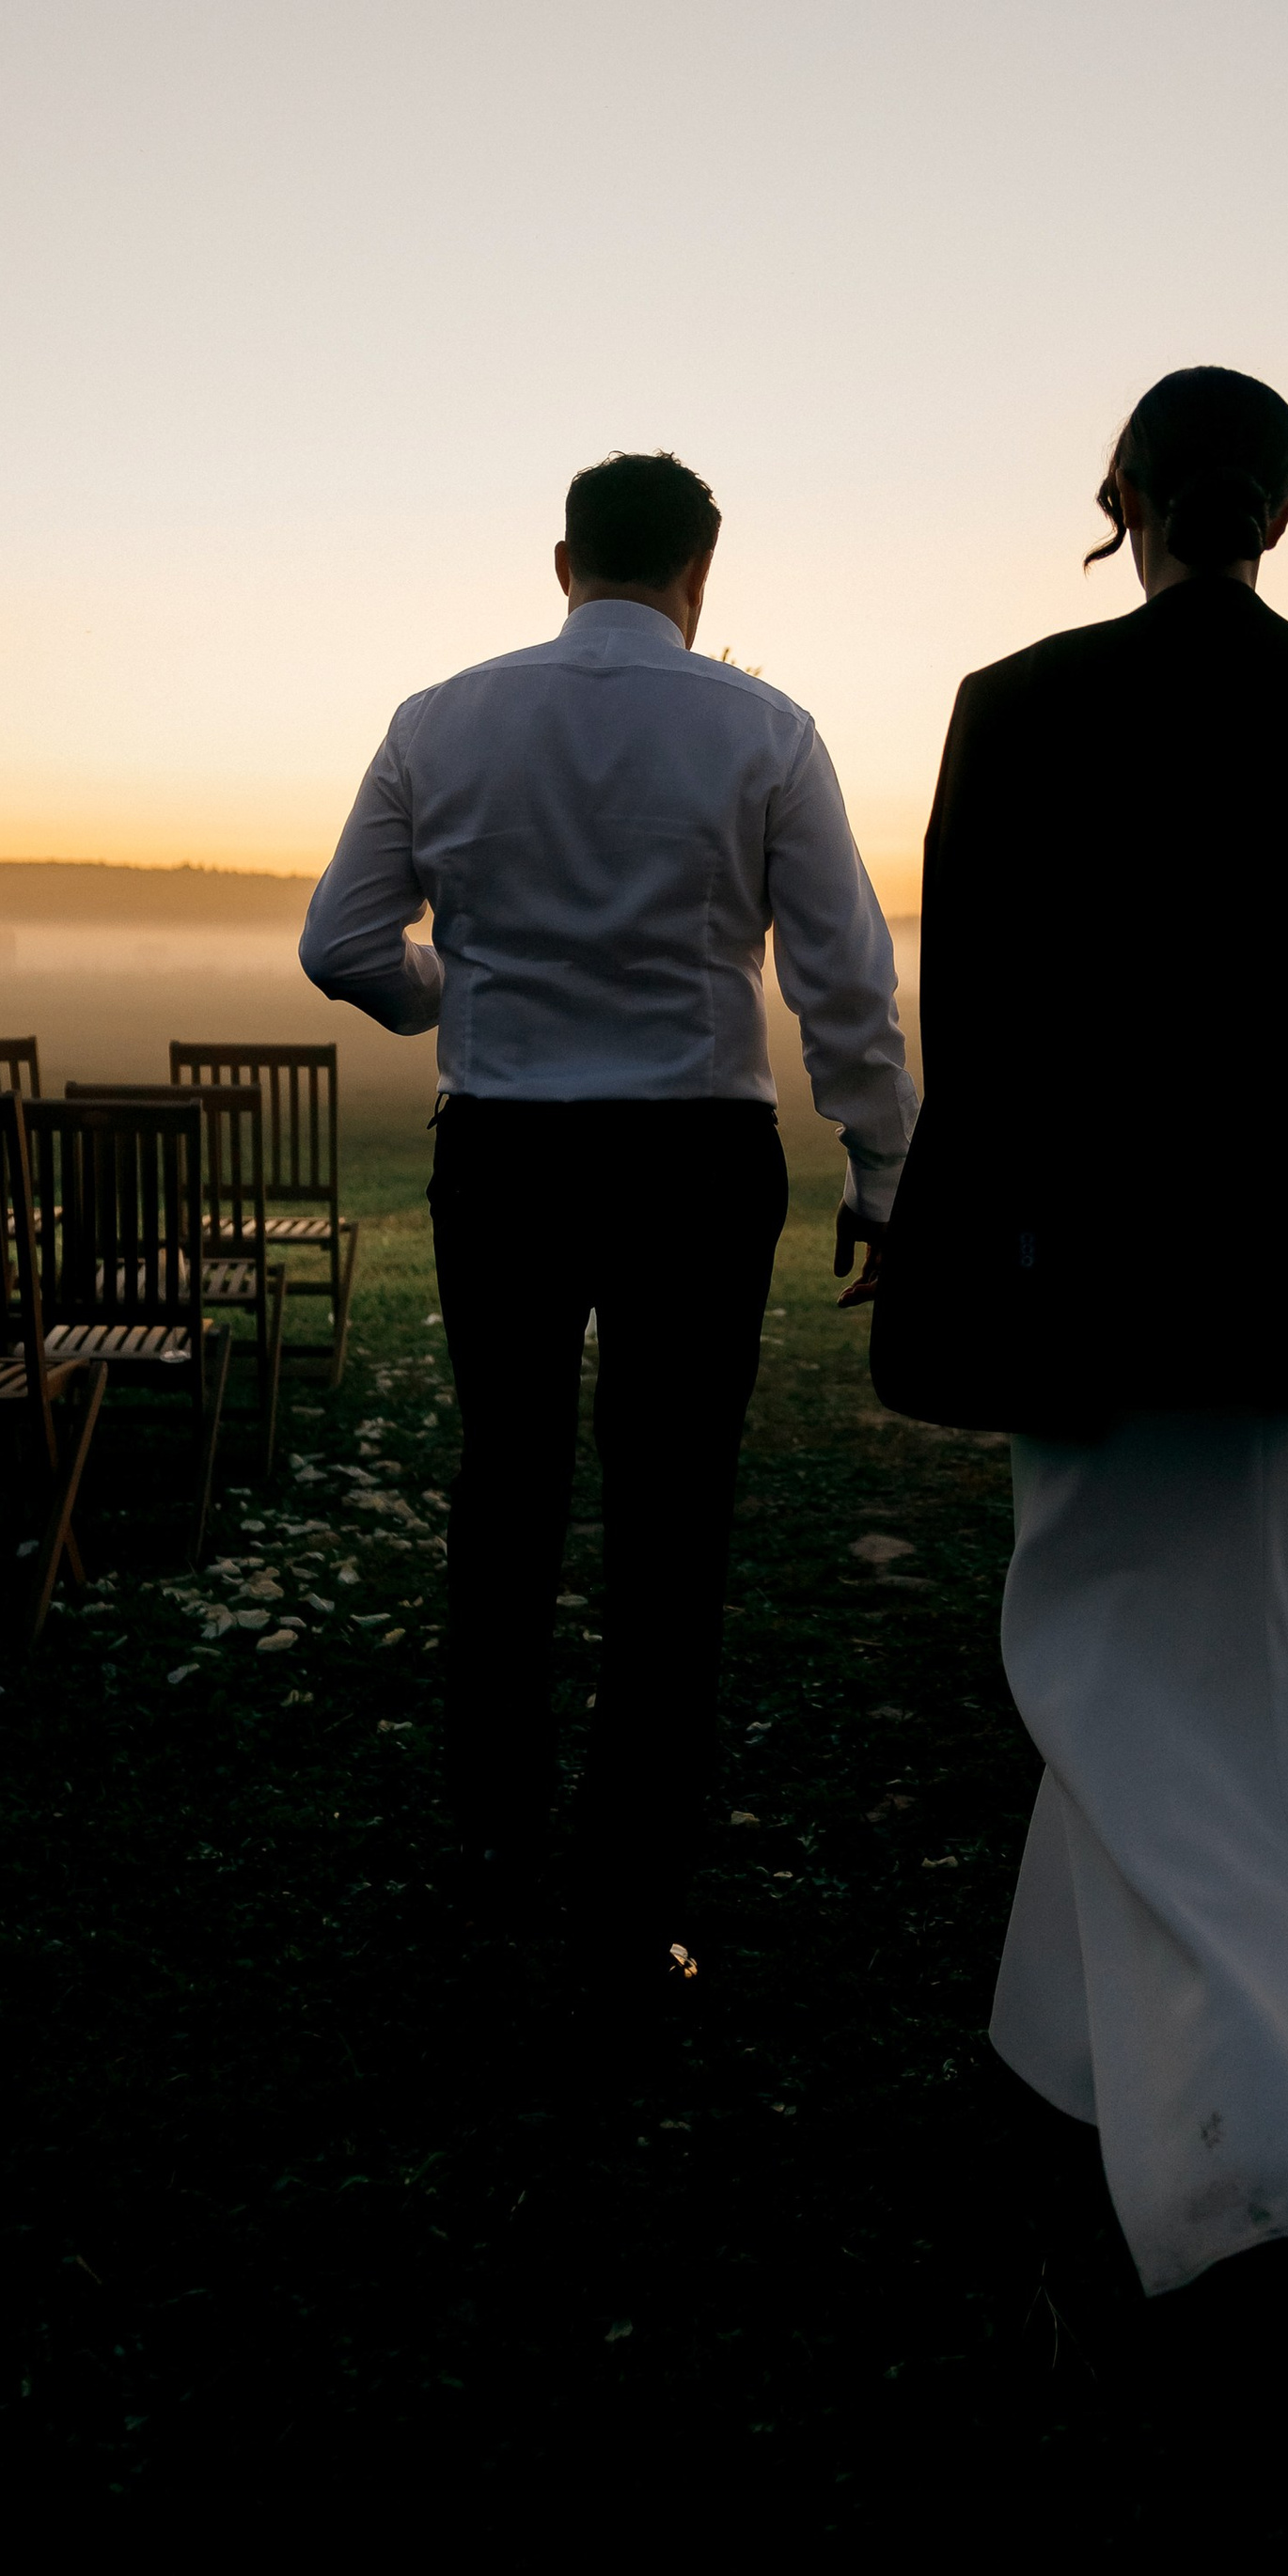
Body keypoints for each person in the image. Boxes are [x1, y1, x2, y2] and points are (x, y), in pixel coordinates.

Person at [872, 367, 1288, 2317]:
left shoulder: (1019, 708)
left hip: (1085, 1284)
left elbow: (978, 1030)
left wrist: (972, 1260)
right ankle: (1080, 2046)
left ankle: (1254, 2142)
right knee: (1267, 1641)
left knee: (1108, 1656)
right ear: (1279, 516)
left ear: (1121, 499)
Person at [302, 449, 913, 1954]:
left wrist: (448, 983)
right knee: (670, 1513)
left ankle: (495, 1841)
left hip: (502, 1152)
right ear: (702, 574)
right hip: (696, 1161)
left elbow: (340, 943)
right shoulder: (767, 731)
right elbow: (845, 979)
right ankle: (633, 1886)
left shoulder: (437, 720)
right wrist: (881, 1164)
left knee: (504, 1489)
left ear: (561, 562)